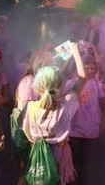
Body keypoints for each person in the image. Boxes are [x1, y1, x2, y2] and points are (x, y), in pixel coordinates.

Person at [20, 42, 87, 185]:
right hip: (60, 154)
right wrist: (75, 53)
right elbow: (82, 78)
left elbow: (27, 134)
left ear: (38, 86)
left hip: (38, 154)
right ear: (59, 86)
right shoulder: (66, 104)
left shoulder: (31, 107)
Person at [65, 54, 105, 185]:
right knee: (73, 162)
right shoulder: (71, 83)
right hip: (74, 129)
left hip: (91, 129)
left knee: (87, 164)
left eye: (92, 69)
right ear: (80, 68)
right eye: (86, 68)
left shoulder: (97, 84)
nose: (89, 71)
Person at [13, 48, 54, 185]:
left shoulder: (35, 80)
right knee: (26, 171)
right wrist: (32, 139)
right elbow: (27, 113)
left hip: (30, 132)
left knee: (30, 172)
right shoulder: (30, 81)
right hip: (26, 133)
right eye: (49, 64)